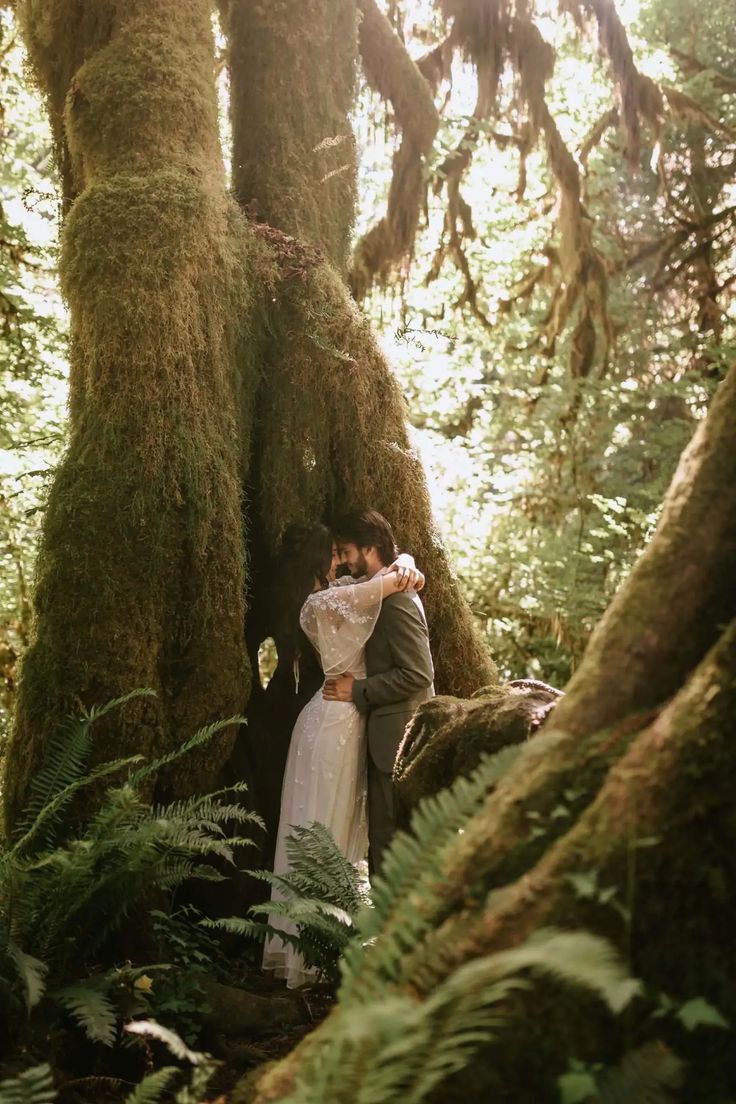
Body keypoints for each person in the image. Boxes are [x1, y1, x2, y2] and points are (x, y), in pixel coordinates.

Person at [262, 522, 422, 988]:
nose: (339, 560)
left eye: (341, 552)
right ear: (316, 558)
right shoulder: (322, 602)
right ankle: (309, 952)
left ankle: (331, 940)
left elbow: (392, 573)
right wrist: (407, 570)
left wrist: (409, 561)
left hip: (344, 716)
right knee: (322, 830)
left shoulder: (344, 590)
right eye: (332, 553)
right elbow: (389, 581)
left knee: (338, 828)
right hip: (335, 721)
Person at [324, 510, 434, 877]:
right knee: (386, 847)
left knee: (393, 849)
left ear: (370, 549)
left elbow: (419, 674)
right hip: (386, 741)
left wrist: (358, 690)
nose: (341, 562)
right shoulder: (383, 592)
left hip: (398, 743)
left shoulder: (398, 600)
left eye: (346, 552)